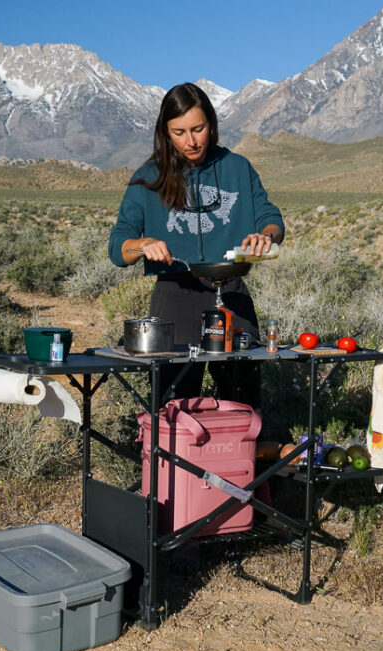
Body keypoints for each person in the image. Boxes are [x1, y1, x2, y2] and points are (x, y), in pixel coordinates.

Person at [108, 83, 284, 409]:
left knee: (244, 401)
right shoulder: (149, 177)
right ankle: (176, 460)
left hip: (232, 295)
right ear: (165, 132)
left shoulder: (237, 167)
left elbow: (270, 218)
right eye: (179, 132)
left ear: (212, 125)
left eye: (198, 129)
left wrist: (267, 236)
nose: (190, 141)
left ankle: (243, 458)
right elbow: (118, 247)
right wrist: (141, 244)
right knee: (174, 406)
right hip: (174, 297)